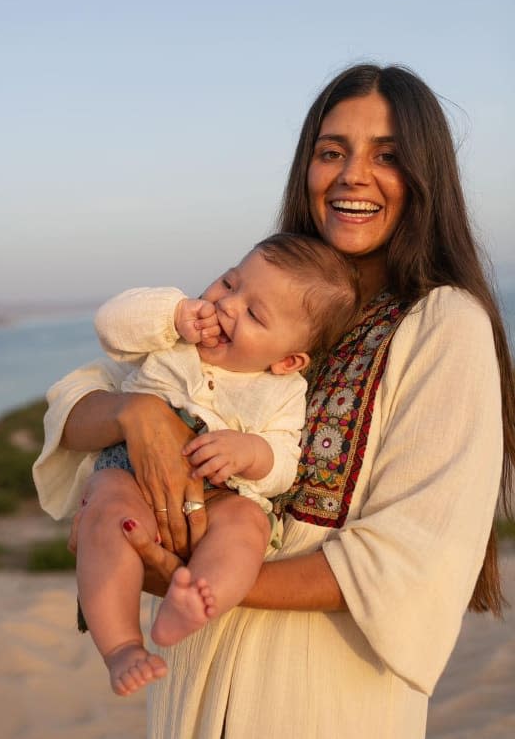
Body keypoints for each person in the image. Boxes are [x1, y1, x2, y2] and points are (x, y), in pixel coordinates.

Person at [33, 63, 515, 738]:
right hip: (195, 680)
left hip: (321, 695)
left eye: (388, 155)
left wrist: (188, 578)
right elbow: (73, 405)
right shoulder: (261, 296)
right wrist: (134, 415)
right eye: (331, 151)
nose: (352, 174)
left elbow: (413, 557)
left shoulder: (442, 322)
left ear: (425, 177)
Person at [75, 233, 359, 696]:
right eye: (229, 283)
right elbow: (111, 326)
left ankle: (194, 600)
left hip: (224, 492)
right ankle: (122, 645)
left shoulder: (283, 393)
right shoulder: (173, 342)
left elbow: (284, 463)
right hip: (130, 468)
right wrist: (174, 314)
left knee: (247, 526)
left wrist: (249, 451)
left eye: (253, 314)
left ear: (288, 360)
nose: (227, 306)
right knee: (109, 513)